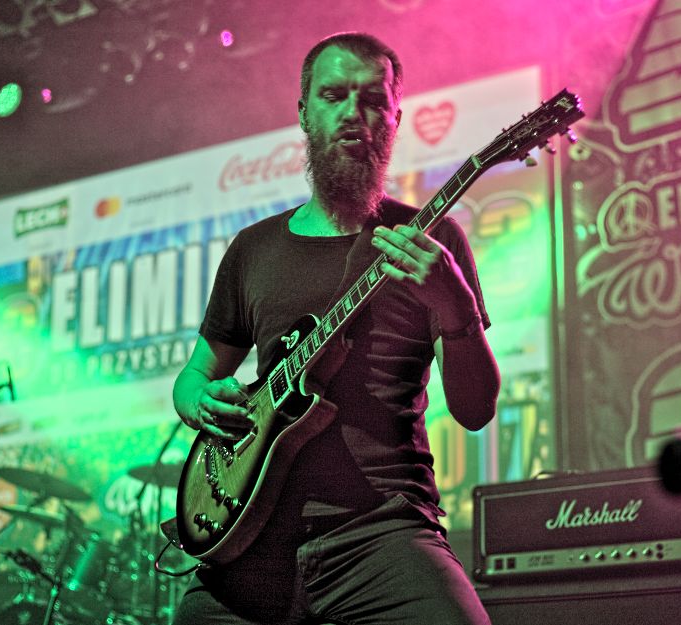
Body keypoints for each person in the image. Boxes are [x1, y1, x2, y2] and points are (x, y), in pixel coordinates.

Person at [171, 31, 499, 625]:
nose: (353, 113)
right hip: (251, 537)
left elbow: (475, 411)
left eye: (373, 100)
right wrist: (200, 402)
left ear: (395, 119)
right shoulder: (253, 249)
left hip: (382, 531)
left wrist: (457, 307)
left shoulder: (432, 241)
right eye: (333, 95)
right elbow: (194, 376)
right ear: (304, 112)